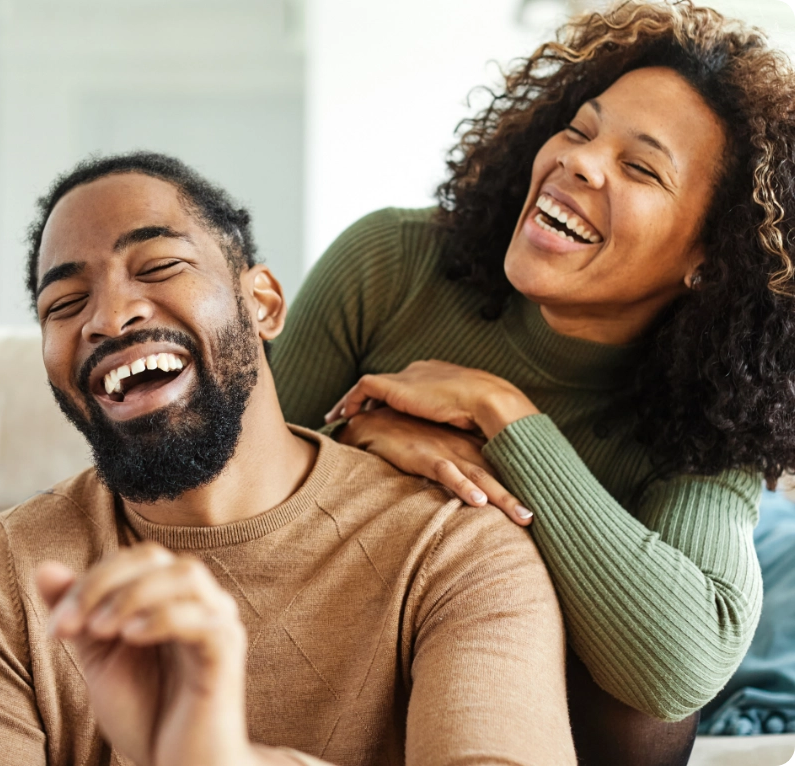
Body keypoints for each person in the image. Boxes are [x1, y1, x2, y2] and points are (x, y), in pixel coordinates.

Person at [0, 153, 576, 766]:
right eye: (65, 303)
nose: (109, 316)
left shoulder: (455, 552)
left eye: (158, 266)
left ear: (264, 303)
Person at [271, 1, 795, 763]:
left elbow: (677, 669)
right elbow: (240, 497)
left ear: (711, 259)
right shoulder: (389, 263)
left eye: (640, 167)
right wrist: (356, 439)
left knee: (640, 694)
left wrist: (503, 417)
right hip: (348, 645)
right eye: (580, 130)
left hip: (549, 710)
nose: (579, 162)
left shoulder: (713, 410)